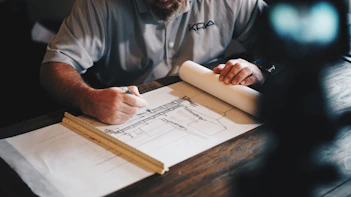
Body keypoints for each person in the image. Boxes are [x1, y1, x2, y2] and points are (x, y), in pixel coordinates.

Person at [40, 0, 268, 125]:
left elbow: (289, 46)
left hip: (214, 114)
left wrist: (259, 68)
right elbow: (55, 66)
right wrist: (87, 98)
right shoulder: (99, 5)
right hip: (126, 114)